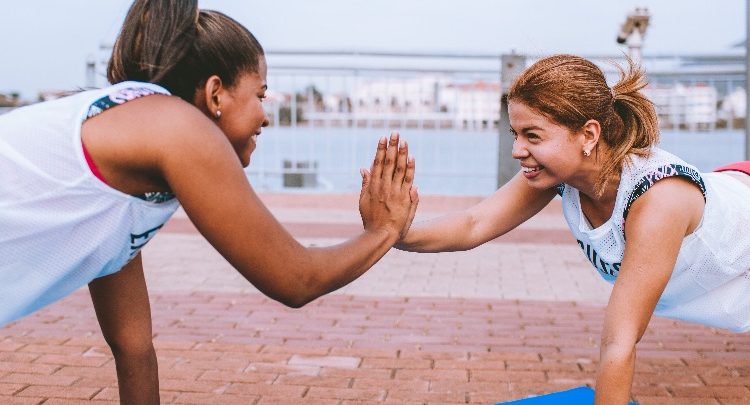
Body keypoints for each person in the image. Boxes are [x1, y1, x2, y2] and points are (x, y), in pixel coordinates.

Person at [0, 1, 418, 403]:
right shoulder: (176, 127)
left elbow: (135, 347)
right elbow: (295, 280)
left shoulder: (127, 164)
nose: (266, 115)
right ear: (216, 94)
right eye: (261, 93)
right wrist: (384, 230)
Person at [391, 54, 750, 404]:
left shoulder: (658, 201)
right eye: (515, 133)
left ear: (588, 134)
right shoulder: (559, 175)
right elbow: (474, 224)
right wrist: (391, 231)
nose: (517, 150)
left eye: (532, 135)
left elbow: (619, 342)